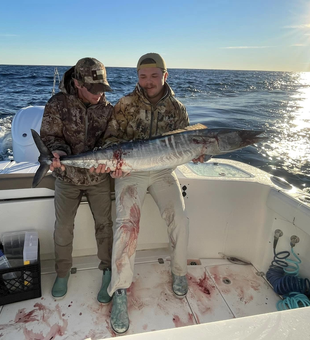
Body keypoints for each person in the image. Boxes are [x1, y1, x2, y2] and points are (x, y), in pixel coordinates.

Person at [101, 53, 204, 334]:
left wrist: (196, 155)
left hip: (162, 172)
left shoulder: (178, 109)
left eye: (153, 76)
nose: (148, 82)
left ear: (165, 76)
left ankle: (179, 272)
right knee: (126, 226)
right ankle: (120, 290)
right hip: (130, 172)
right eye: (142, 76)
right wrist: (115, 164)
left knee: (179, 219)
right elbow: (110, 139)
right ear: (137, 77)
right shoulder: (125, 104)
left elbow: (185, 144)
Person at [40, 57, 114, 303]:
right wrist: (58, 152)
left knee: (105, 225)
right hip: (67, 177)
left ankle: (107, 271)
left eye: (102, 89)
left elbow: (112, 140)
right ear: (77, 83)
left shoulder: (107, 109)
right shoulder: (57, 104)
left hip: (98, 178)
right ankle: (62, 273)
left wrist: (108, 157)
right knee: (63, 227)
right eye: (93, 89)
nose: (98, 95)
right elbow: (49, 136)